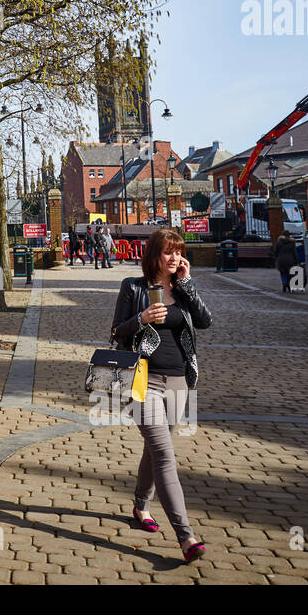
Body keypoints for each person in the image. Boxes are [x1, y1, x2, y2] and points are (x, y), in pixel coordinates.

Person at [110, 227, 213, 562]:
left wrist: (187, 283)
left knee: (155, 450)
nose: (174, 258)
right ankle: (186, 537)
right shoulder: (134, 287)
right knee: (165, 456)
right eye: (168, 251)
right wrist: (140, 318)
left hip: (180, 381)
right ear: (154, 254)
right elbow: (116, 333)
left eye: (178, 251)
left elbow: (204, 321)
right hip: (143, 381)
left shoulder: (182, 289)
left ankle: (141, 506)